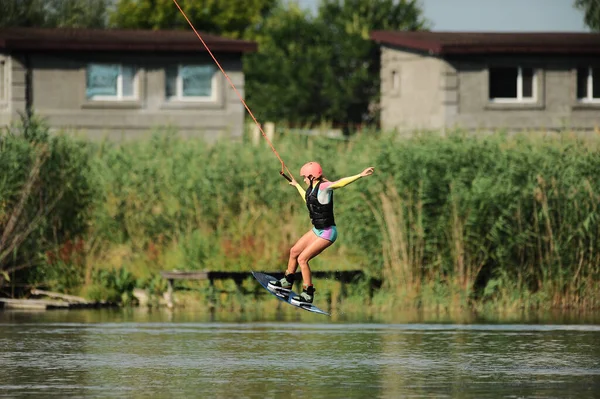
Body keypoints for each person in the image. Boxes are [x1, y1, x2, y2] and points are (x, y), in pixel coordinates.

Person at [268, 162, 375, 305]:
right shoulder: (311, 188)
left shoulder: (324, 187)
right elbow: (308, 199)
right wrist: (297, 185)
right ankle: (287, 283)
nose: (304, 180)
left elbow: (339, 183)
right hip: (317, 230)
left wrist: (360, 175)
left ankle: (308, 294)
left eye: (304, 178)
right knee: (294, 251)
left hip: (327, 232)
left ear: (312, 177)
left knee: (302, 259)